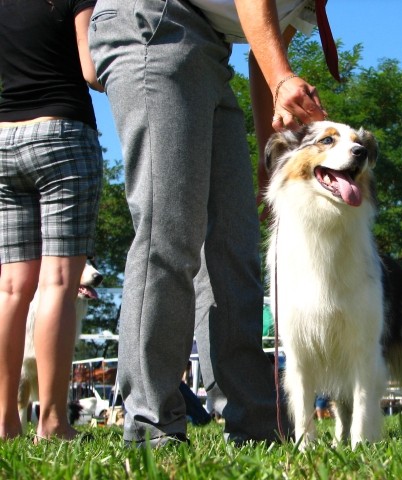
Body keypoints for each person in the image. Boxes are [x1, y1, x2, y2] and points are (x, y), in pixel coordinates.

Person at [88, 0, 327, 447]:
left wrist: (269, 156)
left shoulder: (311, 7)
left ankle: (258, 424)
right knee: (169, 232)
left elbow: (265, 53)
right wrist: (283, 79)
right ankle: (151, 425)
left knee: (236, 247)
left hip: (207, 48)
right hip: (155, 22)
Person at [0, 0, 103, 441]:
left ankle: (4, 421)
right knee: (60, 282)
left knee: (9, 288)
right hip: (62, 133)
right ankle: (54, 421)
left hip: (3, 139)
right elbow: (91, 69)